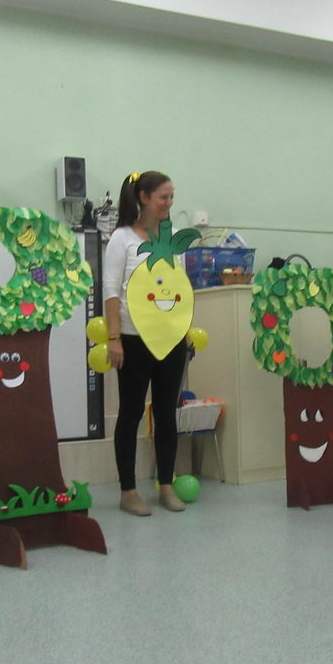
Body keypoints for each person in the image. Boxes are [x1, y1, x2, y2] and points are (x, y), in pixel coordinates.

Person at [103, 171, 189, 516]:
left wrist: (182, 329)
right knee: (132, 412)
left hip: (170, 340)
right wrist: (113, 337)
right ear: (143, 198)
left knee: (167, 413)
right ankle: (128, 491)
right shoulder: (122, 238)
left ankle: (165, 486)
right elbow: (111, 291)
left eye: (171, 196)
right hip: (132, 340)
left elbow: (179, 288)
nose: (169, 203)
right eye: (163, 197)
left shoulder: (171, 240)